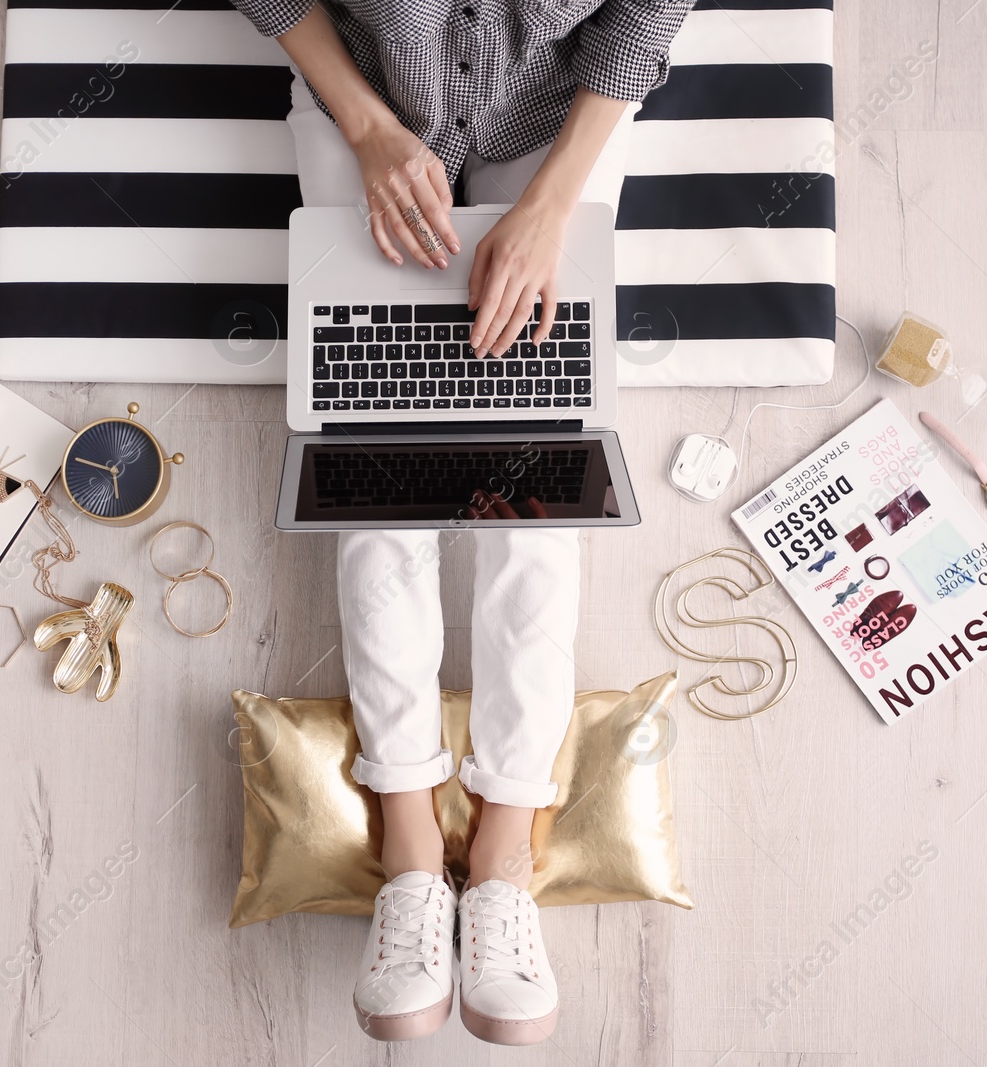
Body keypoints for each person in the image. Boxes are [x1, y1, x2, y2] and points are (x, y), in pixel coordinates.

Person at [230, 0, 692, 1045]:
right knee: (374, 465)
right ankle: (404, 844)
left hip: (552, 113)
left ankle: (502, 856)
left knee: (539, 482)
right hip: (370, 91)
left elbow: (644, 16)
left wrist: (551, 206)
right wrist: (364, 127)